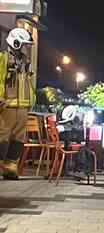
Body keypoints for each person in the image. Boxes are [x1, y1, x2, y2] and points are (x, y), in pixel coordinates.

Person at [0, 28, 35, 180]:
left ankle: (10, 168)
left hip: (22, 107)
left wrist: (31, 100)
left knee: (18, 140)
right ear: (16, 42)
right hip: (7, 106)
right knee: (2, 138)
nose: (25, 47)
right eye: (24, 44)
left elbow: (28, 83)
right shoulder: (4, 58)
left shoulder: (25, 61)